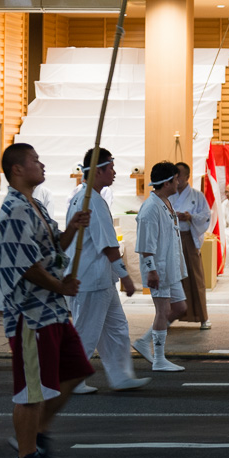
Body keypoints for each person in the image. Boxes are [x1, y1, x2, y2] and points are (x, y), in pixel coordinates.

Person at [0, 143, 91, 458]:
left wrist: (72, 229)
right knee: (31, 390)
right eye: (35, 160)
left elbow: (51, 250)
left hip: (52, 310)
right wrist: (59, 286)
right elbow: (25, 266)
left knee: (77, 368)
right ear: (18, 169)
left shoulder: (33, 205)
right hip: (31, 314)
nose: (42, 164)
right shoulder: (14, 211)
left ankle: (36, 433)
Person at [66, 148, 149, 394]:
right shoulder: (90, 201)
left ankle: (120, 375)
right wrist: (127, 277)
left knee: (117, 329)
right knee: (87, 330)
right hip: (90, 279)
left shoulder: (87, 197)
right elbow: (109, 246)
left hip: (100, 279)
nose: (114, 173)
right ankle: (74, 379)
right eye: (110, 168)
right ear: (98, 171)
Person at [132, 162, 188, 372]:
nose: (178, 182)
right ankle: (159, 359)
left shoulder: (164, 201)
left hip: (170, 266)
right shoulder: (150, 208)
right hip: (159, 267)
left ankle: (144, 341)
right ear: (166, 183)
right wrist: (151, 269)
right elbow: (146, 245)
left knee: (180, 307)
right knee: (163, 310)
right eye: (175, 179)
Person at [169, 162, 212, 329]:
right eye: (175, 175)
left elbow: (206, 216)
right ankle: (170, 316)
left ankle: (202, 317)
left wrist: (191, 216)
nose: (177, 178)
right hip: (172, 239)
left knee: (195, 277)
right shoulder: (169, 195)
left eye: (179, 175)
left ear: (187, 176)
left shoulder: (197, 195)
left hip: (189, 238)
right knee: (173, 279)